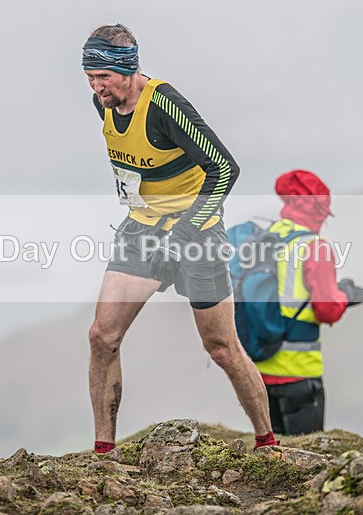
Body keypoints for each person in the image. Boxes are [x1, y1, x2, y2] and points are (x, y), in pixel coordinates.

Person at [82, 23, 279, 453]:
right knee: (103, 336)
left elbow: (224, 168)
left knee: (222, 348)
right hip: (142, 230)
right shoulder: (106, 104)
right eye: (90, 78)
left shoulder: (165, 106)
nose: (97, 88)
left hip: (196, 232)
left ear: (129, 70)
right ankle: (104, 453)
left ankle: (267, 440)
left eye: (104, 78)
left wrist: (187, 229)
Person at [254, 169, 363, 435]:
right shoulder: (315, 246)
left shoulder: (265, 238)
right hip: (299, 374)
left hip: (259, 370)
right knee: (305, 458)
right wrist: (346, 296)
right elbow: (326, 309)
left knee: (272, 454)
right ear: (320, 209)